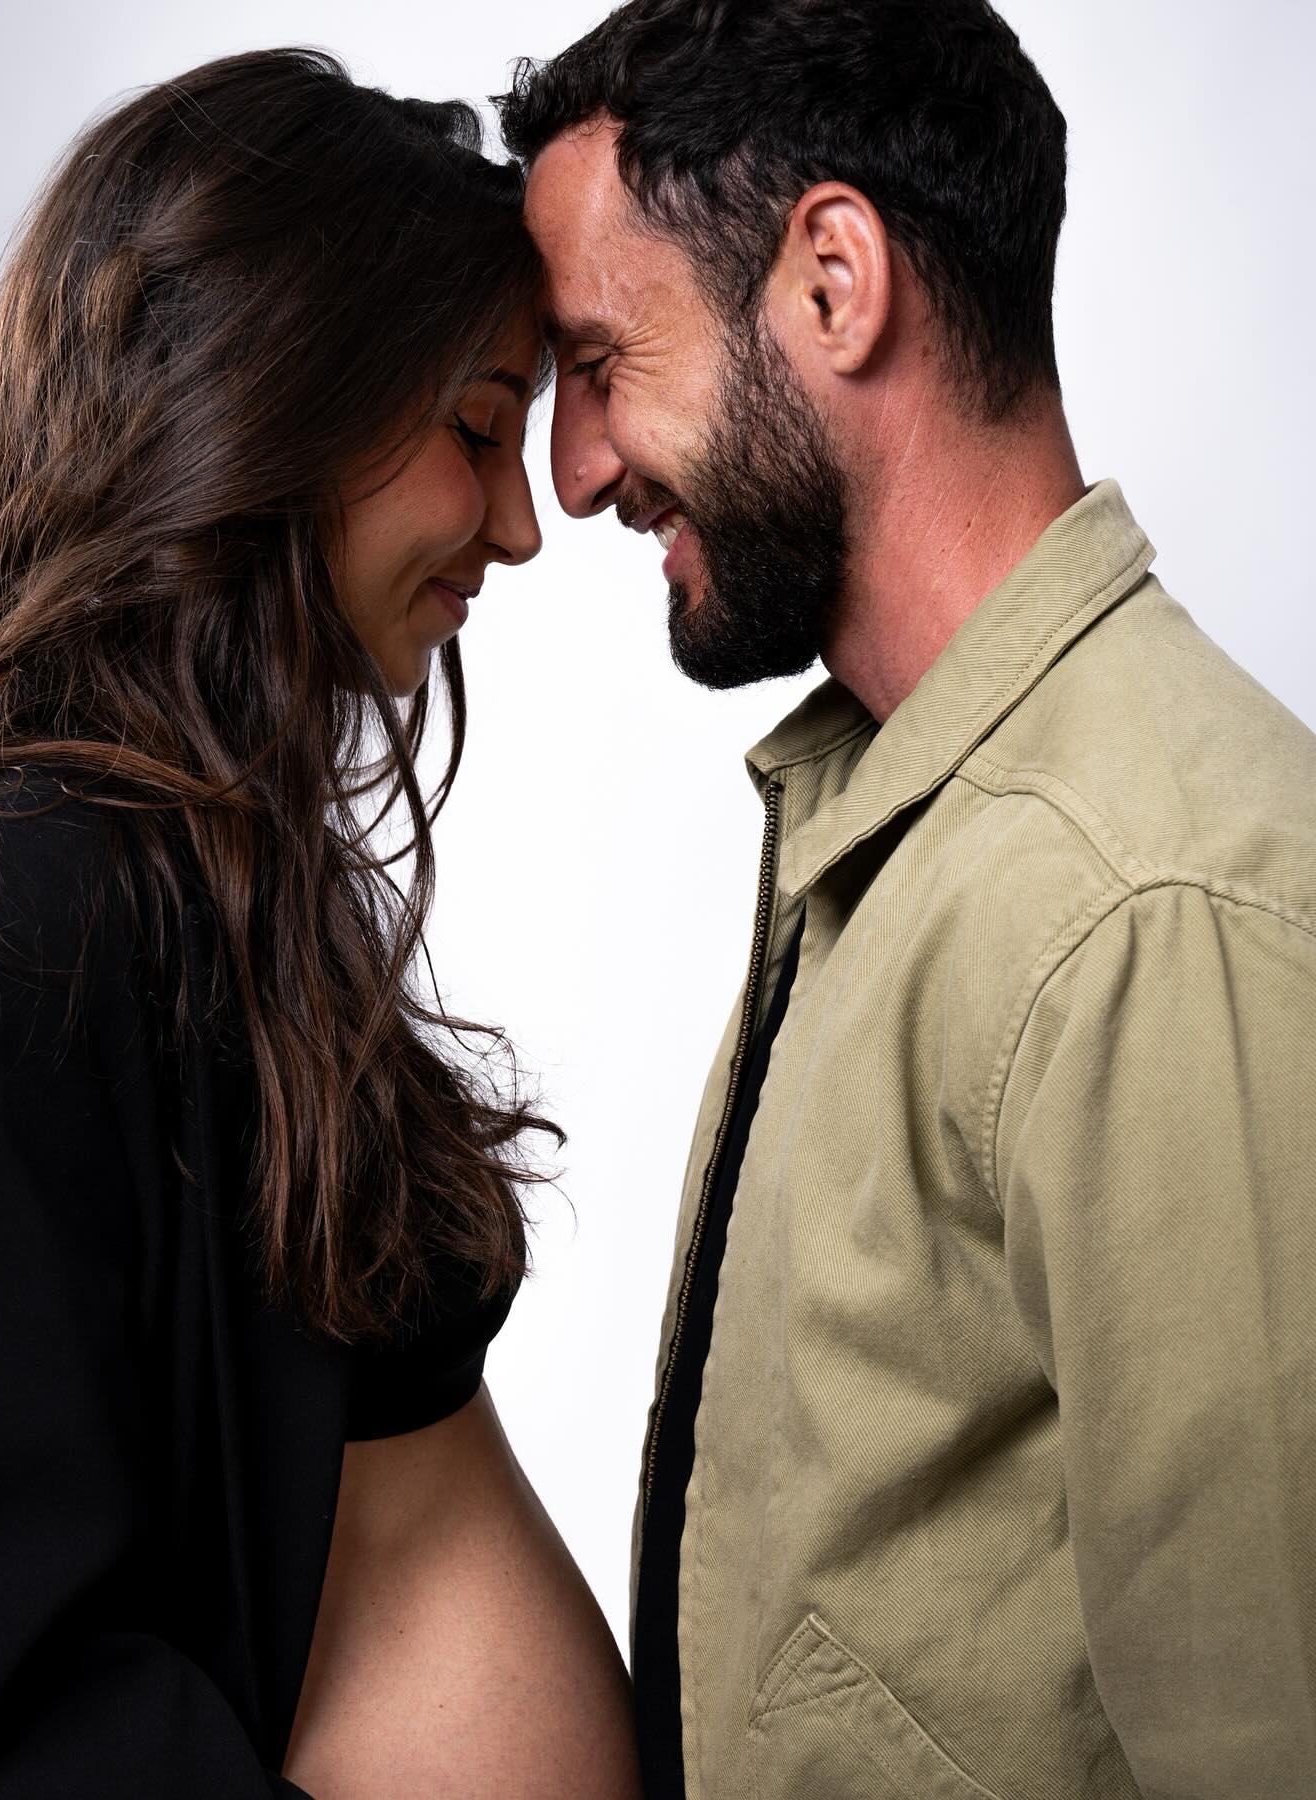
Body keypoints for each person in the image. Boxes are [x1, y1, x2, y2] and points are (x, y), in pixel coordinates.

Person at [499, 2, 1316, 1796]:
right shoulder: (911, 822)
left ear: (833, 284)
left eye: (600, 360)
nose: (572, 472)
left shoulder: (1149, 906)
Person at [0, 49, 642, 1800]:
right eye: (477, 430)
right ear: (273, 392)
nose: (520, 526)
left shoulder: (201, 887)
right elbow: (15, 1707)